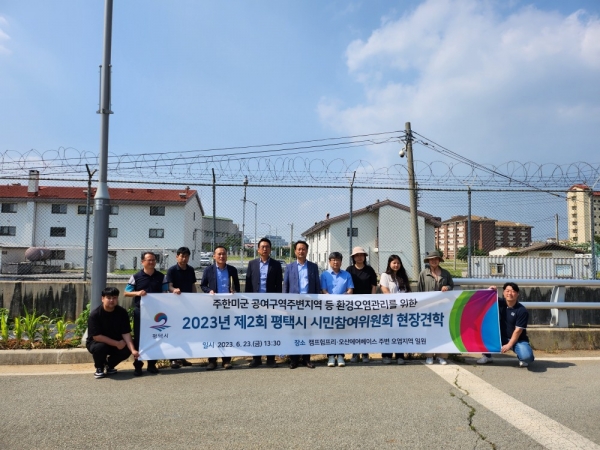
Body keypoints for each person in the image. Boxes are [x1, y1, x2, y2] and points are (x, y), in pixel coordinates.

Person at [124, 251, 168, 376]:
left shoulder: (161, 277)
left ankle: (152, 364)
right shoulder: (136, 277)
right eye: (149, 260)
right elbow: (126, 292)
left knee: (156, 337)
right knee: (139, 338)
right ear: (142, 262)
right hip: (141, 313)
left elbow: (165, 292)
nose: (152, 262)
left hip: (156, 314)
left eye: (153, 260)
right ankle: (138, 366)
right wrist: (137, 293)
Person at [200, 245, 241, 370]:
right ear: (214, 256)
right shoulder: (208, 270)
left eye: (224, 254)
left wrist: (234, 291)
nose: (222, 256)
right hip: (214, 306)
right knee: (213, 333)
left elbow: (237, 287)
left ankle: (226, 360)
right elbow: (203, 285)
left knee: (227, 333)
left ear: (227, 256)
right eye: (219, 254)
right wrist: (209, 291)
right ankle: (212, 361)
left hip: (229, 307)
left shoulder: (232, 270)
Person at [477, 282, 535, 368]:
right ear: (503, 293)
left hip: (518, 340)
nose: (509, 293)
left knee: (527, 358)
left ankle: (522, 358)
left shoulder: (522, 310)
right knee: (484, 331)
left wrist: (509, 345)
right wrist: (490, 291)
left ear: (517, 294)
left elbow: (518, 331)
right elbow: (483, 299)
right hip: (500, 337)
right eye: (507, 291)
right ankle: (487, 356)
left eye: (513, 291)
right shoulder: (499, 303)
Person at [245, 237, 283, 368]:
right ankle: (256, 358)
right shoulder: (252, 264)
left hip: (270, 303)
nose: (265, 249)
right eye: (262, 247)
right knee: (256, 331)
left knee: (270, 331)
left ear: (270, 249)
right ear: (258, 249)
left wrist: (277, 303)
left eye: (267, 247)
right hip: (255, 304)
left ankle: (270, 359)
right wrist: (248, 302)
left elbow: (279, 285)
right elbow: (248, 284)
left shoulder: (276, 265)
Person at [283, 240, 320, 369]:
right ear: (295, 251)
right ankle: (294, 359)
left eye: (303, 249)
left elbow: (317, 285)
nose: (301, 251)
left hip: (309, 303)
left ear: (307, 251)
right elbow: (286, 286)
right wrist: (286, 304)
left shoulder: (313, 267)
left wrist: (316, 303)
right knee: (294, 331)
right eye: (299, 249)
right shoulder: (289, 267)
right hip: (294, 304)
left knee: (307, 332)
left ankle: (306, 359)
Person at [87, 287, 139, 379]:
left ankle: (109, 365)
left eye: (114, 298)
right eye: (109, 298)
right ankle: (99, 367)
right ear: (102, 299)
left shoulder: (122, 312)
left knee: (129, 346)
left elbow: (126, 333)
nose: (112, 300)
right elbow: (97, 337)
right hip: (97, 343)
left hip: (116, 342)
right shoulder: (95, 315)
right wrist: (117, 343)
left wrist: (133, 350)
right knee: (100, 347)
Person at [418, 250, 453, 365]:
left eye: (436, 259)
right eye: (431, 259)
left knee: (441, 331)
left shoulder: (445, 273)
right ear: (428, 261)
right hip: (428, 308)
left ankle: (441, 356)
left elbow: (451, 285)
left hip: (442, 308)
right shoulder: (423, 274)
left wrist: (447, 287)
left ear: (439, 260)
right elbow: (419, 290)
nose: (434, 261)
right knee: (428, 331)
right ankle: (429, 355)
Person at [165, 246, 197, 369]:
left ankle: (182, 357)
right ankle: (173, 359)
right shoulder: (172, 270)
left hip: (187, 306)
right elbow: (169, 286)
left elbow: (193, 285)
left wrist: (196, 298)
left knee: (184, 332)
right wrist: (174, 290)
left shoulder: (191, 270)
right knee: (174, 332)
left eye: (186, 256)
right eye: (182, 256)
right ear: (177, 257)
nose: (184, 259)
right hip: (174, 306)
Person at [320, 251, 354, 367]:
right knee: (330, 331)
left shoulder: (347, 275)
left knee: (341, 330)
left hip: (342, 307)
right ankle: (330, 356)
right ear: (329, 262)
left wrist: (343, 298)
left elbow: (350, 289)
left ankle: (340, 355)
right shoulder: (324, 275)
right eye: (333, 260)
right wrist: (331, 299)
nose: (336, 262)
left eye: (338, 260)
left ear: (341, 262)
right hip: (329, 307)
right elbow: (323, 290)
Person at [346, 246, 377, 364]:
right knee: (354, 329)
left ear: (364, 257)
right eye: (357, 255)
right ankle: (355, 353)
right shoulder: (349, 270)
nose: (359, 257)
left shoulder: (370, 270)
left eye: (361, 255)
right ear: (353, 257)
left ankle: (365, 353)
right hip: (353, 304)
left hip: (366, 304)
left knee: (365, 329)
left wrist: (372, 300)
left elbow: (373, 286)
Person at [380, 254, 411, 365]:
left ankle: (400, 356)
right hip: (389, 309)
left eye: (398, 263)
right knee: (388, 333)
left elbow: (408, 292)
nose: (396, 265)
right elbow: (385, 290)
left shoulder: (403, 276)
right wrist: (395, 303)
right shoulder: (385, 275)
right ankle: (387, 355)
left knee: (400, 333)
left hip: (401, 310)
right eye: (394, 263)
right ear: (389, 264)